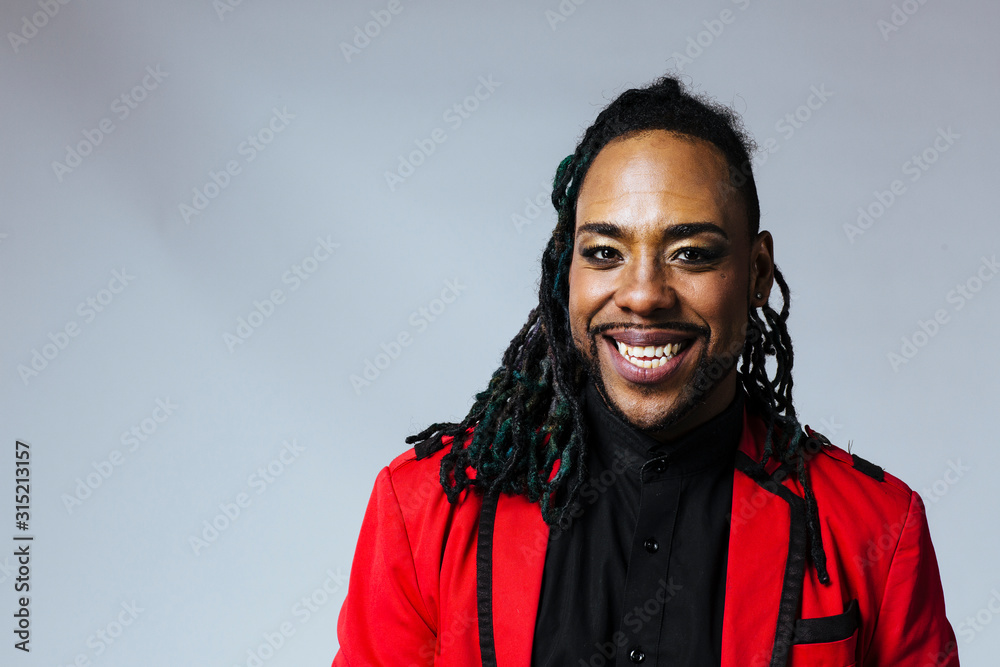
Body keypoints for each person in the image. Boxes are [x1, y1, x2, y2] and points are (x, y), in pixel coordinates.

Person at [331, 75, 959, 666]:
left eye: (691, 253)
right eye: (605, 252)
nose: (643, 294)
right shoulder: (426, 513)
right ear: (565, 273)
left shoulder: (877, 528)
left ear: (758, 274)